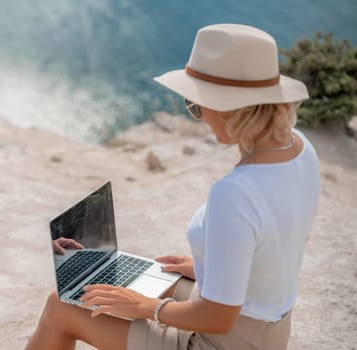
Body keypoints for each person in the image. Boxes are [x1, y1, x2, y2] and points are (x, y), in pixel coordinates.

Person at [25, 23, 320, 350]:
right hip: (264, 329)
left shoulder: (235, 193)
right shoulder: (302, 151)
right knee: (118, 276)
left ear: (231, 107)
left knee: (61, 307)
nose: (200, 115)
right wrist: (210, 268)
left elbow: (218, 318)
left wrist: (145, 307)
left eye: (197, 104)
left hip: (220, 339)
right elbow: (284, 242)